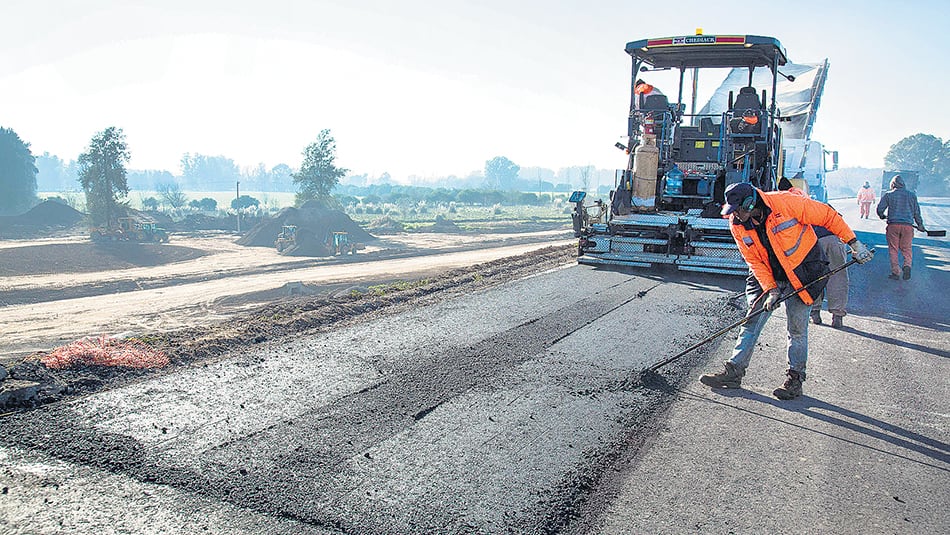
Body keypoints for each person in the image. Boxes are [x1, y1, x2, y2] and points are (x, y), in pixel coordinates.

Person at [699, 182, 872, 400]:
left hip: (803, 271)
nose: (736, 216)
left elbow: (828, 216)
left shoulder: (786, 202)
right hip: (769, 274)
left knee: (797, 328)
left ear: (751, 203)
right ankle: (733, 372)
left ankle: (795, 380)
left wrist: (855, 245)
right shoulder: (737, 224)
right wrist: (771, 289)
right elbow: (753, 260)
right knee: (751, 322)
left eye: (738, 210)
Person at [876, 174, 925, 280]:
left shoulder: (888, 195)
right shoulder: (912, 195)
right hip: (908, 226)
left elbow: (880, 209)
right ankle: (907, 265)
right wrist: (920, 224)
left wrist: (882, 216)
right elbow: (917, 212)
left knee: (893, 249)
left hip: (893, 226)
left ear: (893, 184)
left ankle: (896, 272)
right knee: (906, 248)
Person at [810, 227, 849, 328]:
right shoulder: (831, 211)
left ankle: (815, 312)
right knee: (838, 277)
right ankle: (837, 315)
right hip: (836, 238)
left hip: (815, 239)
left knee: (815, 277)